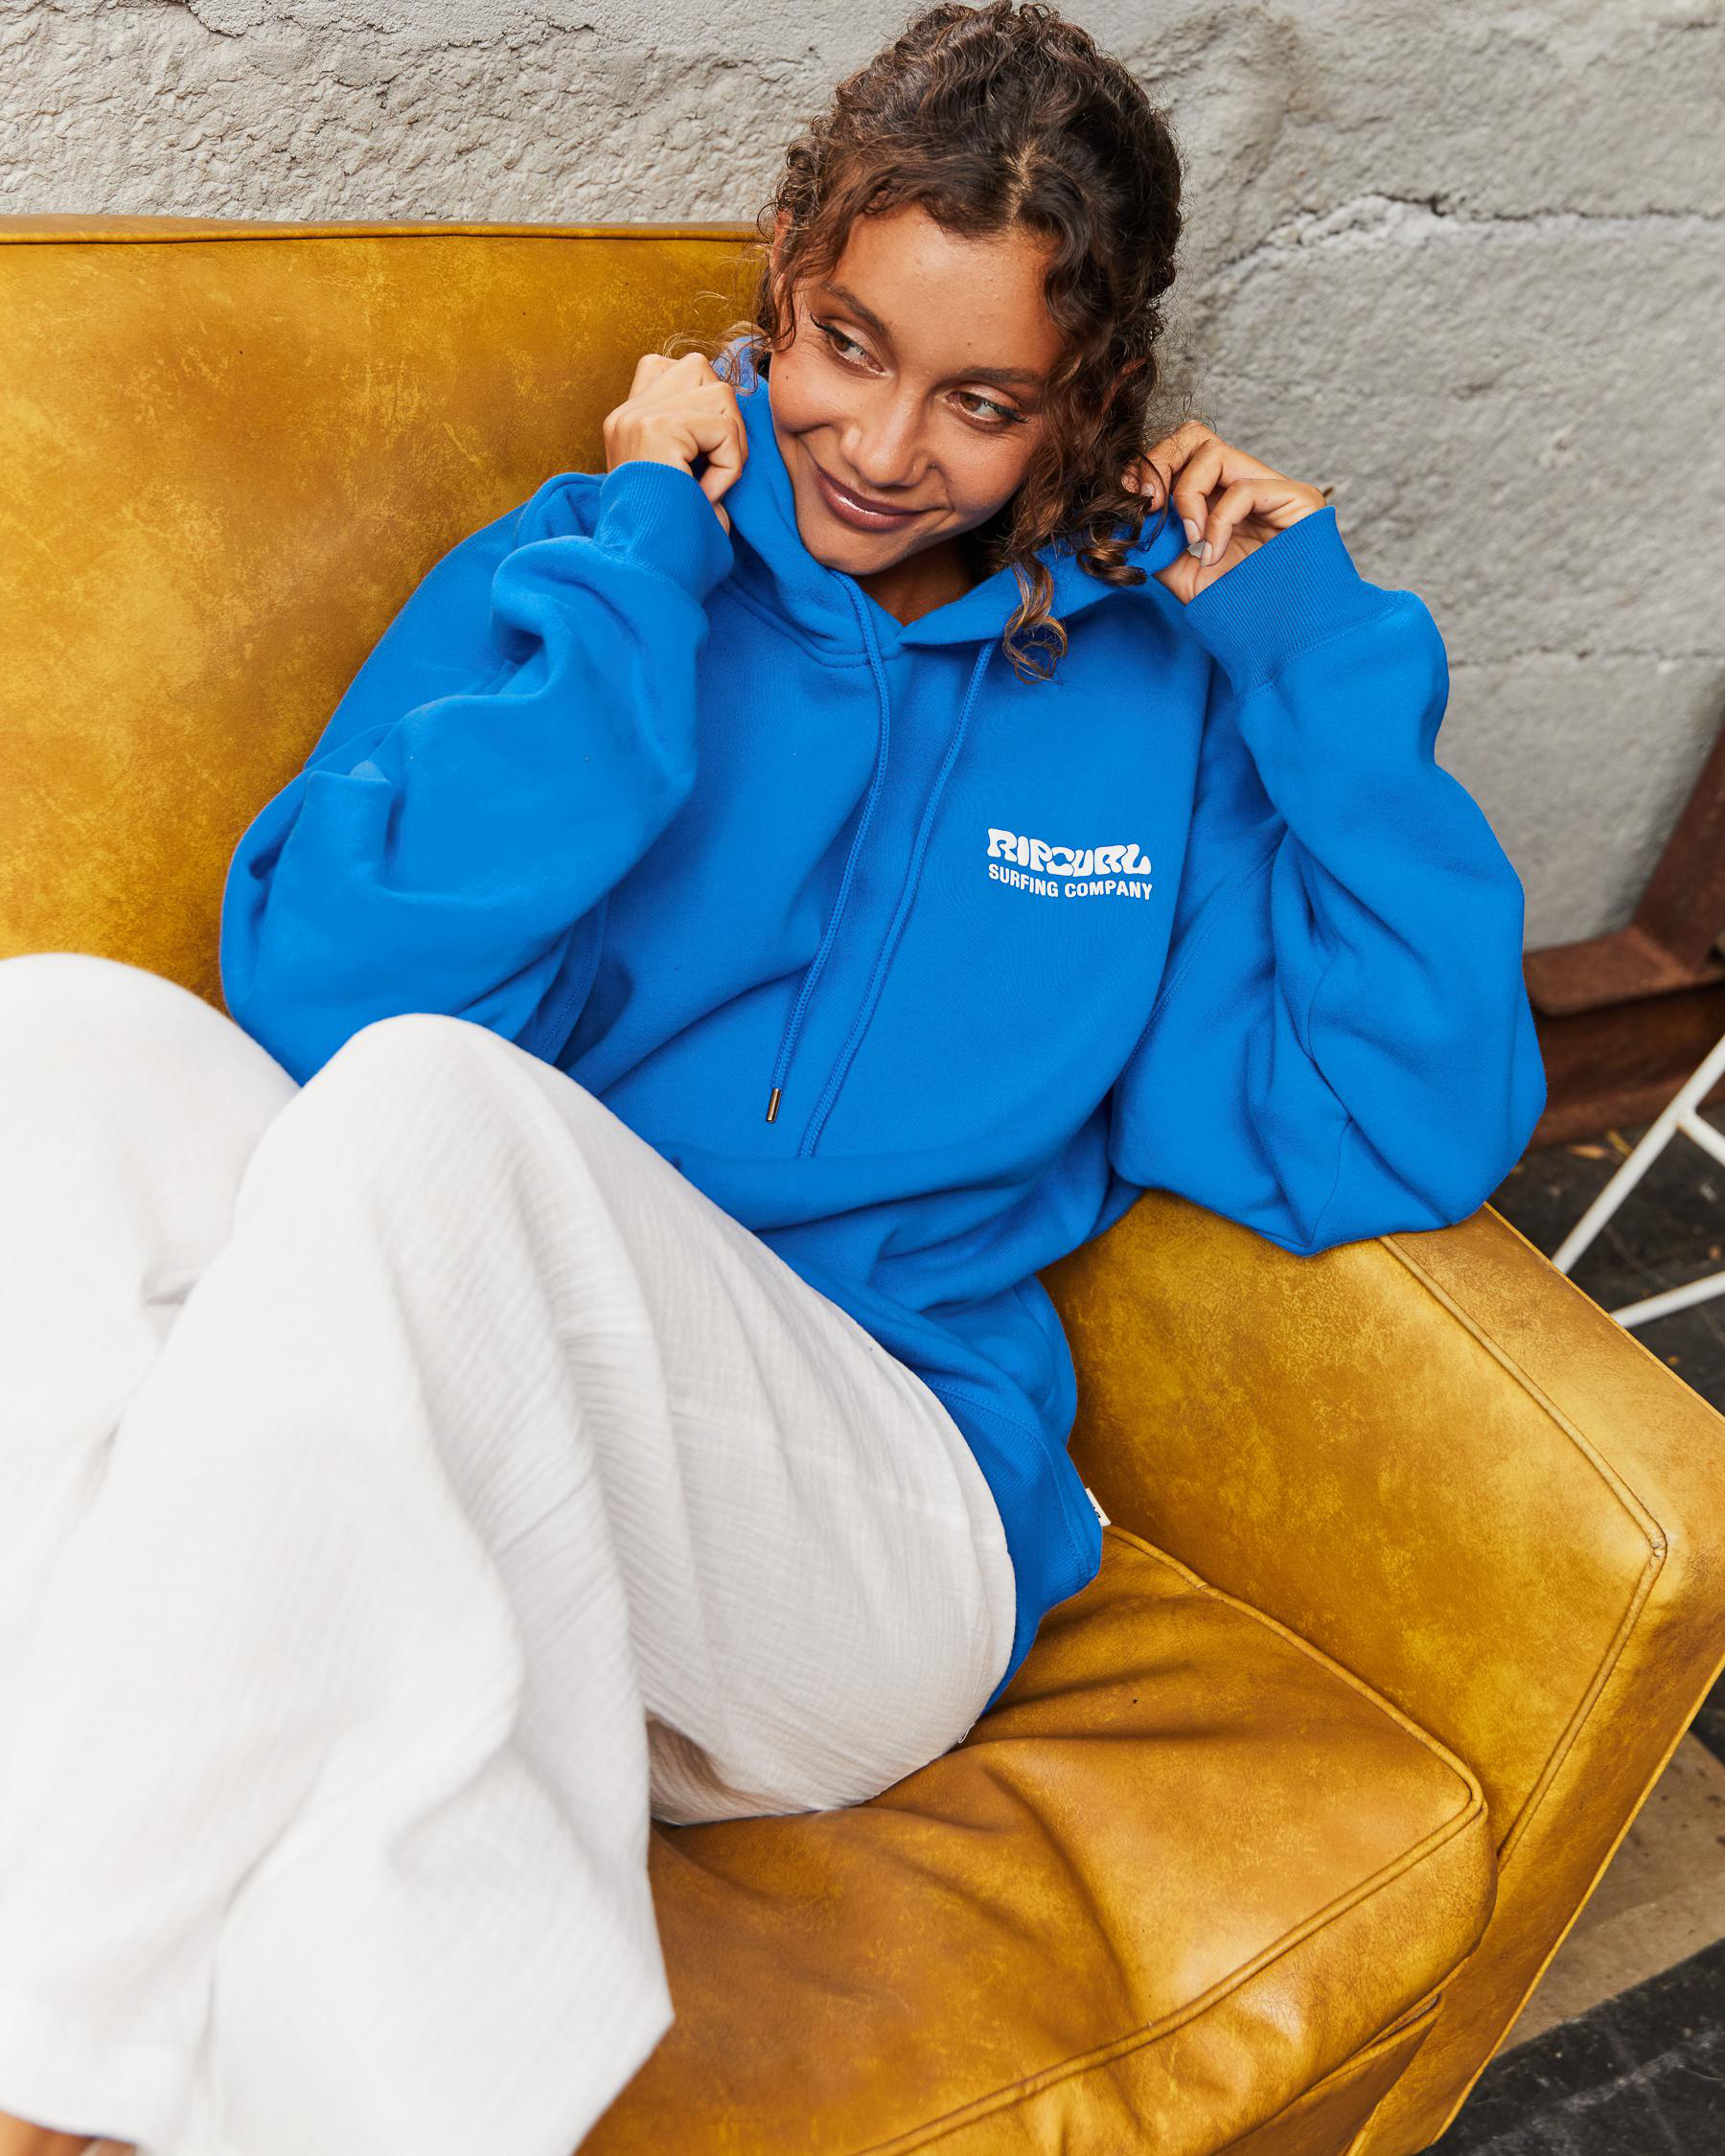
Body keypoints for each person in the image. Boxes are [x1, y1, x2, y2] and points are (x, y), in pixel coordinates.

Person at [0, 3, 1547, 2151]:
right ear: (782, 284)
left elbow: (1398, 1119)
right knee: (57, 1043)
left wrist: (1319, 658)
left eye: (982, 401)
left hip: (860, 1542)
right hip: (496, 1464)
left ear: (1090, 401)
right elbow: (324, 990)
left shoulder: (1162, 702)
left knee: (436, 1109)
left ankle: (49, 2076)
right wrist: (645, 562)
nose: (885, 447)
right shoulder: (608, 561)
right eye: (845, 345)